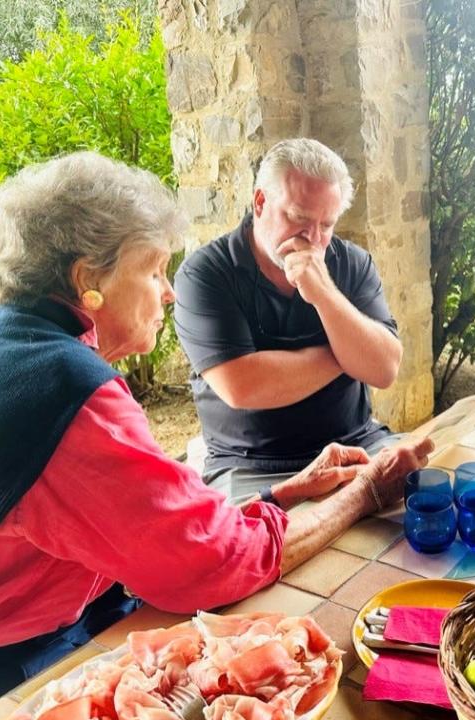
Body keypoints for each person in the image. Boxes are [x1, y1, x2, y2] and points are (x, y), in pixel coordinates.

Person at [0, 152, 432, 720]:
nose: (167, 293)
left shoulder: (6, 353)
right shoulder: (66, 391)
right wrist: (364, 494)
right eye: (155, 270)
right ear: (89, 281)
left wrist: (285, 494)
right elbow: (214, 566)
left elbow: (151, 518)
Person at [173, 138, 404, 502]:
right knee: (255, 554)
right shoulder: (205, 273)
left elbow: (384, 369)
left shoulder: (352, 264)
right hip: (249, 466)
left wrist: (325, 293)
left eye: (326, 224)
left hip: (357, 444)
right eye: (298, 218)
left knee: (429, 506)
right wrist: (346, 355)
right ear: (260, 202)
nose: (312, 238)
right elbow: (243, 386)